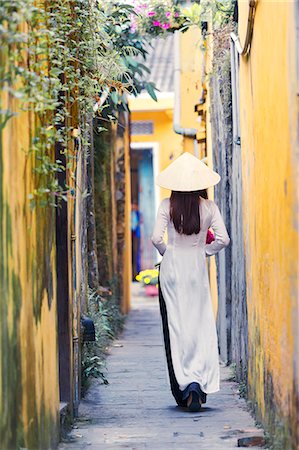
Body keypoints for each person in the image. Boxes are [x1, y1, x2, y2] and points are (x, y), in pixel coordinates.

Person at [151, 152, 230, 412]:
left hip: (172, 269)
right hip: (196, 269)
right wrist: (203, 252)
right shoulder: (208, 207)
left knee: (177, 326)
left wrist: (168, 252)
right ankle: (198, 381)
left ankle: (185, 383)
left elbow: (155, 239)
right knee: (199, 323)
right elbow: (223, 240)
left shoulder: (166, 205)